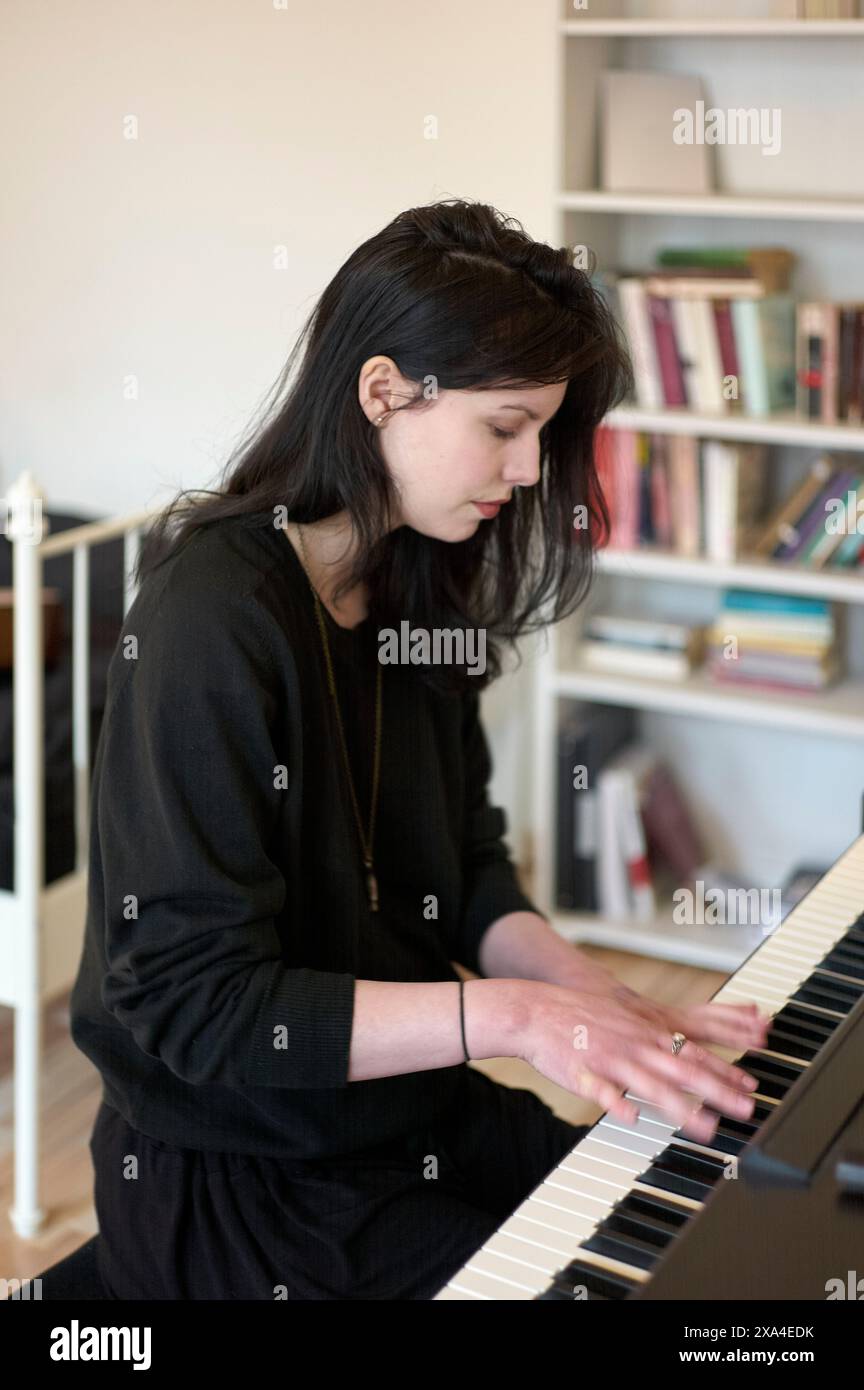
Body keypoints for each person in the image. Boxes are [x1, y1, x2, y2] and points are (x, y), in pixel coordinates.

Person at [70, 199, 769, 1301]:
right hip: (241, 1176)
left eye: (541, 433)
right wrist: (518, 1017)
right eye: (505, 427)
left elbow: (469, 868)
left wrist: (598, 1002)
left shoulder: (417, 578)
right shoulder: (212, 618)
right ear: (384, 391)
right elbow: (196, 1004)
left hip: (410, 1111)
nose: (530, 469)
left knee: (717, 1231)